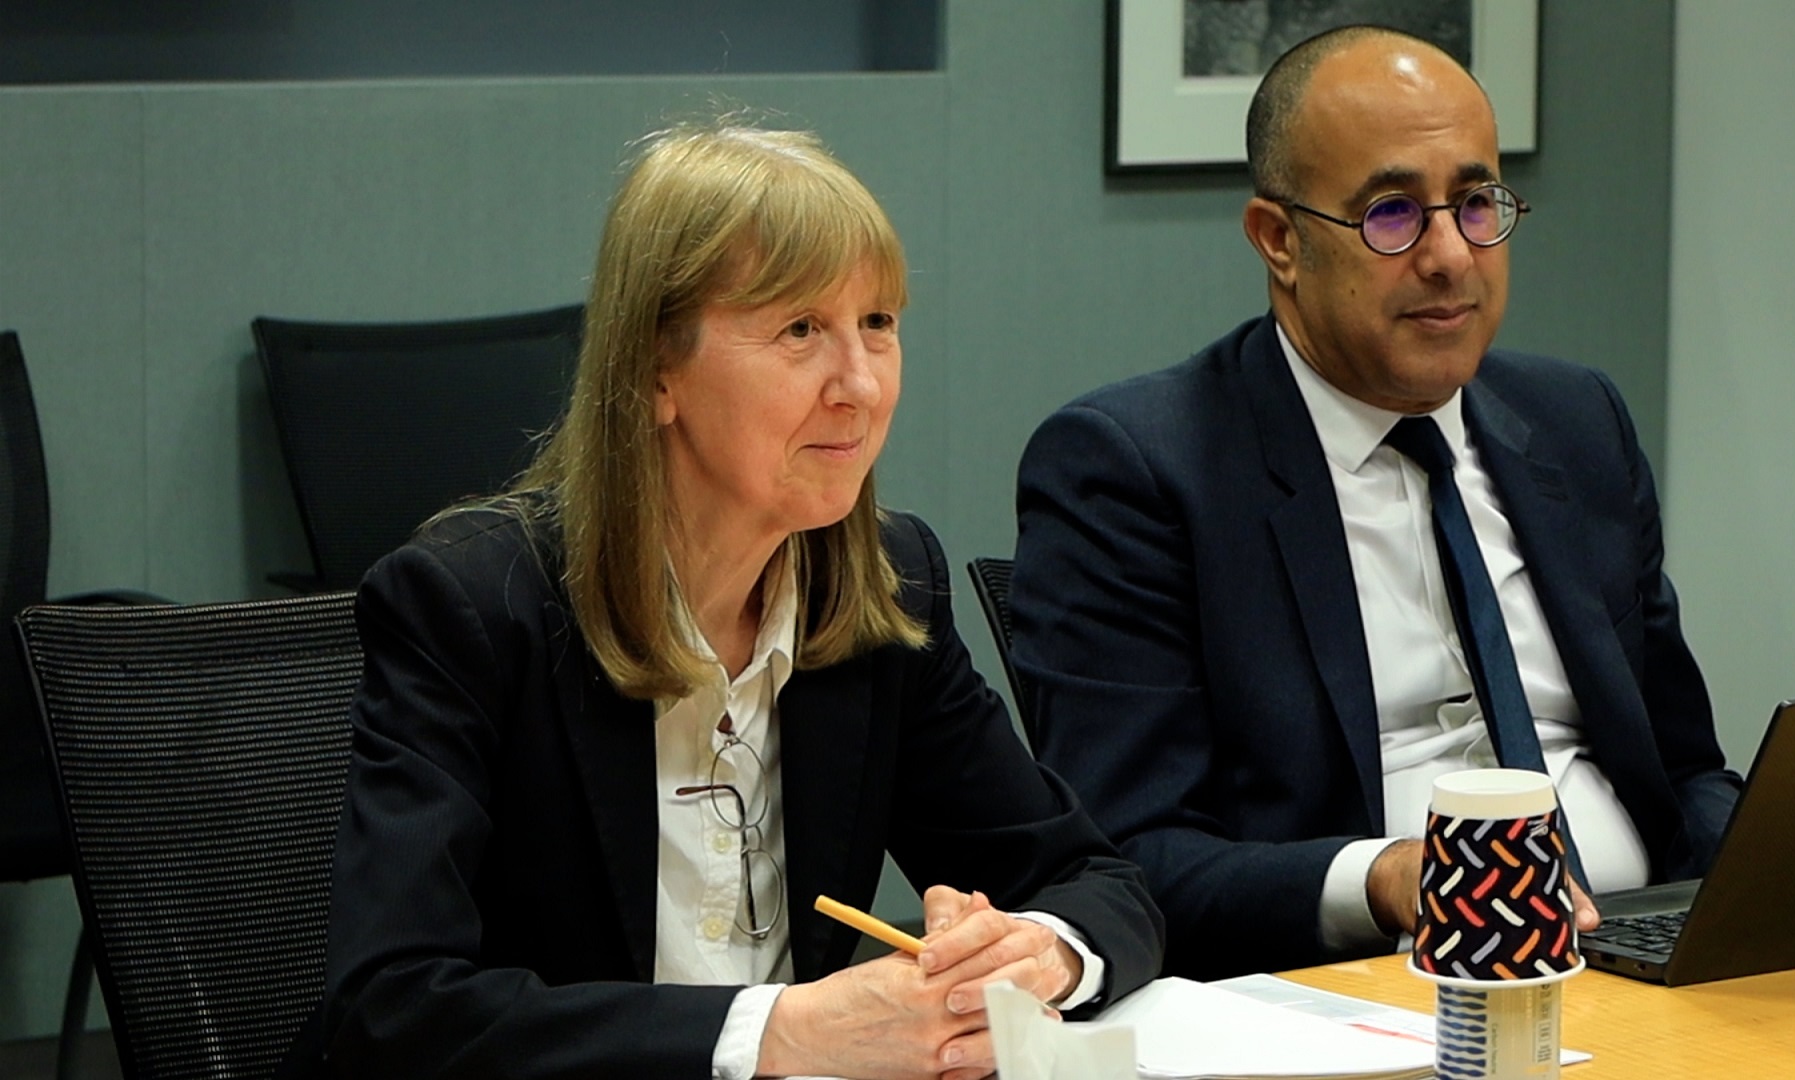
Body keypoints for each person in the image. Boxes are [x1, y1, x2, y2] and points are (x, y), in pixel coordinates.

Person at [282, 121, 1162, 1080]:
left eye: (878, 323)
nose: (861, 386)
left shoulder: (880, 586)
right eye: (800, 330)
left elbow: (1096, 882)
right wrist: (780, 1030)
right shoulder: (472, 606)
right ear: (655, 370)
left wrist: (1040, 952)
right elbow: (393, 1009)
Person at [1010, 26, 1740, 980]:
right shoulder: (1138, 469)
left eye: (1476, 204)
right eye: (1392, 215)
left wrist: (1786, 867)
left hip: (1641, 956)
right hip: (1365, 984)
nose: (1451, 256)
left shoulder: (1576, 422)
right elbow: (1125, 858)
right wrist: (1385, 879)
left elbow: (1682, 769)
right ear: (1280, 240)